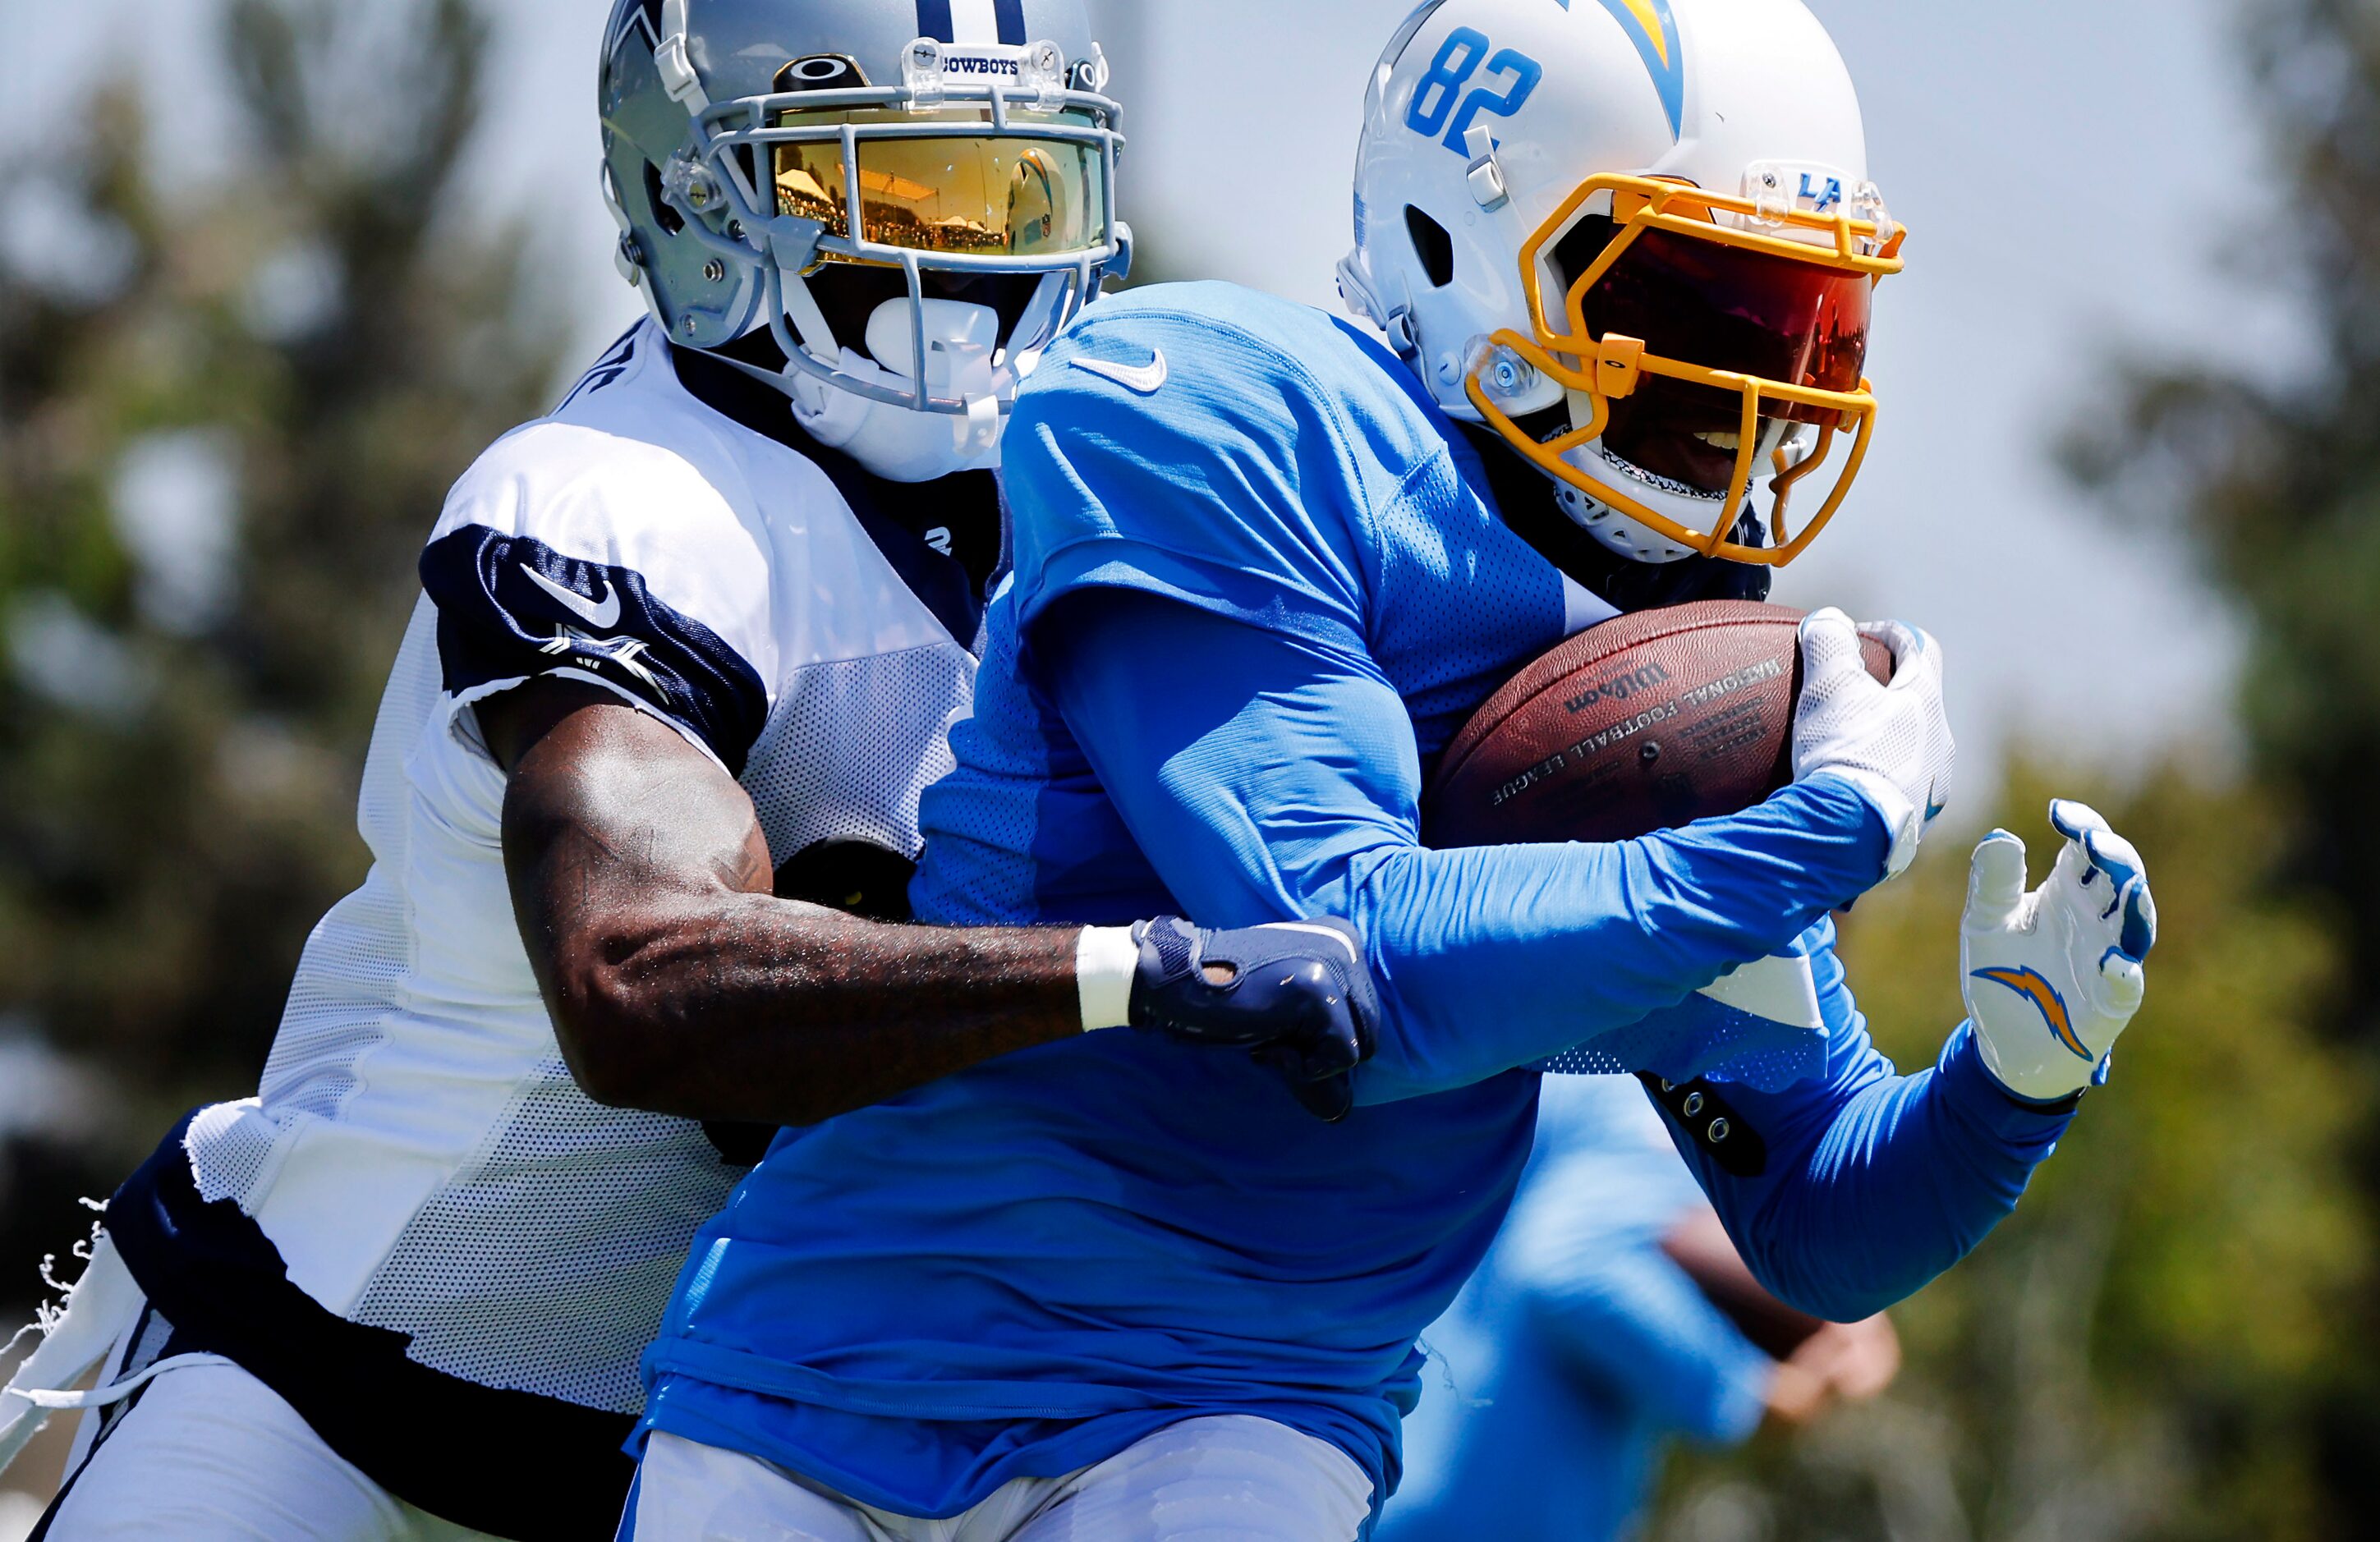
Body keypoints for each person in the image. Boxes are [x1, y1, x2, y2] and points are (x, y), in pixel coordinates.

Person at [622, 0, 2163, 1537]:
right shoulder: (1233, 410)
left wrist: (2013, 1079)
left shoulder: (1691, 664)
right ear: (1455, 238)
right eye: (1708, 306)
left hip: (1252, 1406)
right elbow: (1346, 958)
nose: (1770, 393)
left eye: (1810, 325)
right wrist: (1816, 835)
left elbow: (1819, 1213)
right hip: (850, 1355)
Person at [0, 5, 1374, 1540]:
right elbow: (639, 989)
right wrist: (1130, 971)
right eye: (894, 192)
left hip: (755, 1446)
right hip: (334, 1389)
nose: (968, 267)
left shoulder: (1102, 495)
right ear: (695, 193)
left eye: (1014, 194)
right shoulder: (614, 505)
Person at [1380, 1076, 1901, 1542]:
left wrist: (1839, 1296)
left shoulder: (1562, 1069)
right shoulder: (1664, 1097)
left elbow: (1665, 1235)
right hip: (1491, 1510)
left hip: (1401, 1484)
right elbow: (1569, 1264)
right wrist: (1746, 1392)